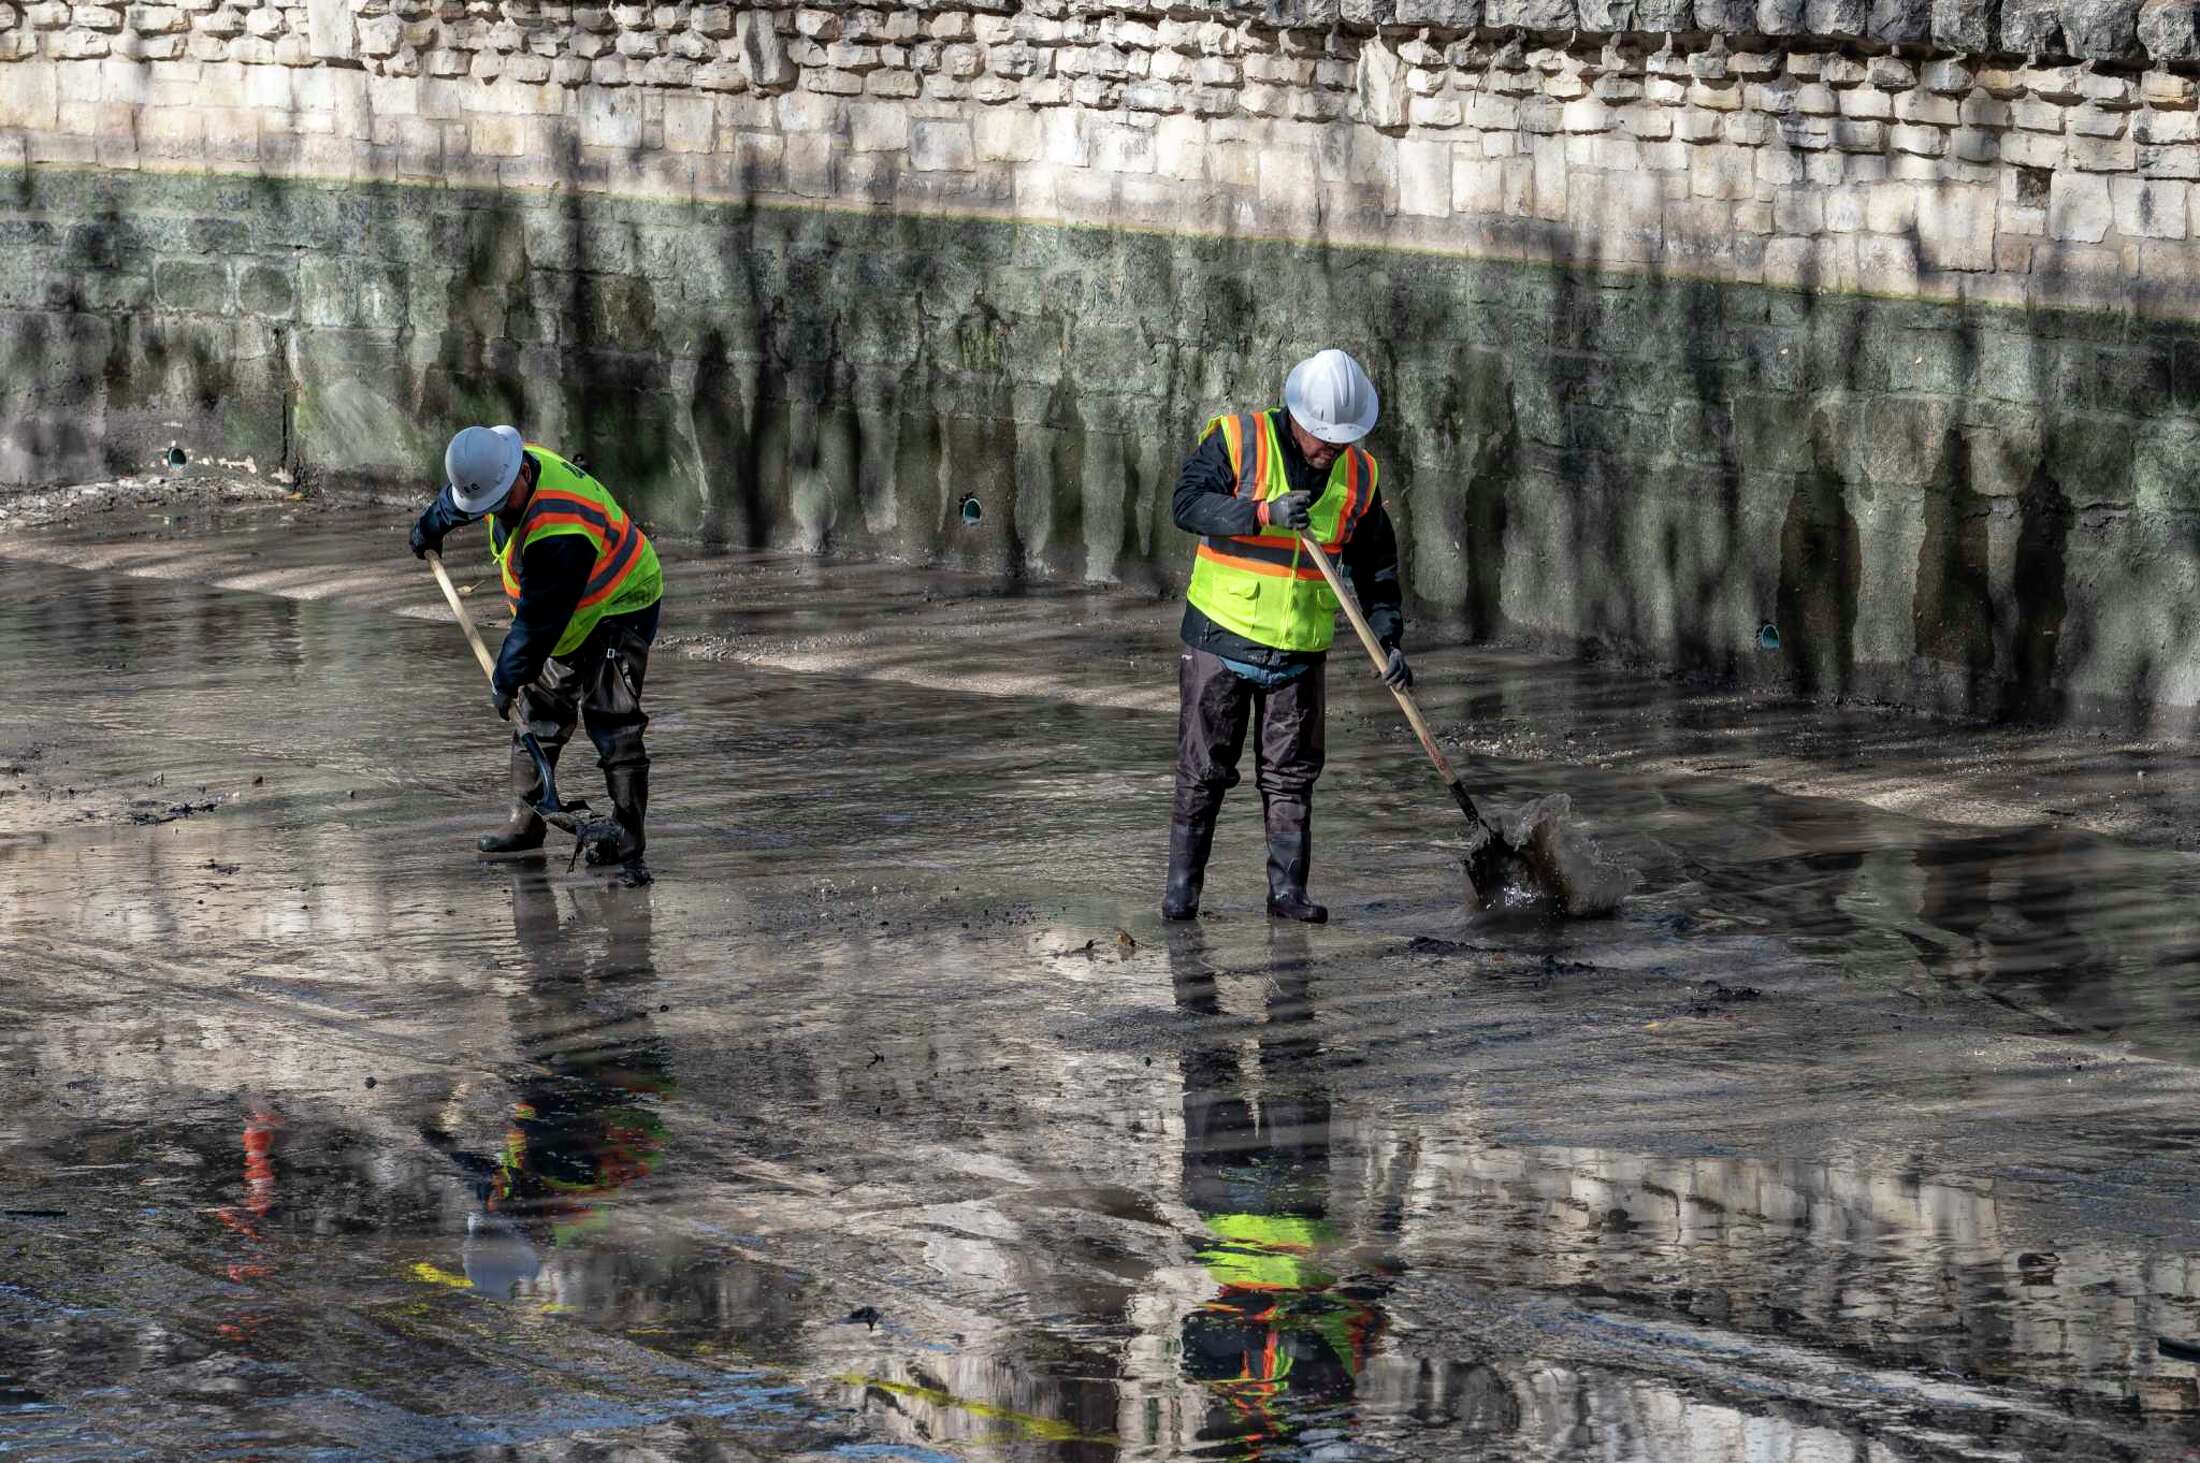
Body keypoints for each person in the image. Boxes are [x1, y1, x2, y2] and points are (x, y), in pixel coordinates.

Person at [1165, 350, 1408, 924]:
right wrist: (1264, 513)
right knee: (1204, 772)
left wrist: (1388, 637)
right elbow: (1187, 505)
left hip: (1299, 650)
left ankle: (1288, 894)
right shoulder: (1237, 440)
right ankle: (1181, 895)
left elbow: (1378, 568)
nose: (1330, 450)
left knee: (1293, 776)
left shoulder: (1359, 476)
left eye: (1341, 440)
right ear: (1294, 415)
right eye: (1321, 437)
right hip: (1221, 637)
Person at [411, 426, 663, 869]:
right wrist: (431, 526)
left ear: (520, 477)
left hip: (621, 602)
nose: (491, 512)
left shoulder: (560, 529)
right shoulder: (499, 466)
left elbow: (538, 624)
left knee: (613, 718)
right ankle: (526, 820)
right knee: (539, 712)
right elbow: (459, 498)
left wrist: (506, 677)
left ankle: (627, 834)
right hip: (567, 613)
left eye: (496, 504)